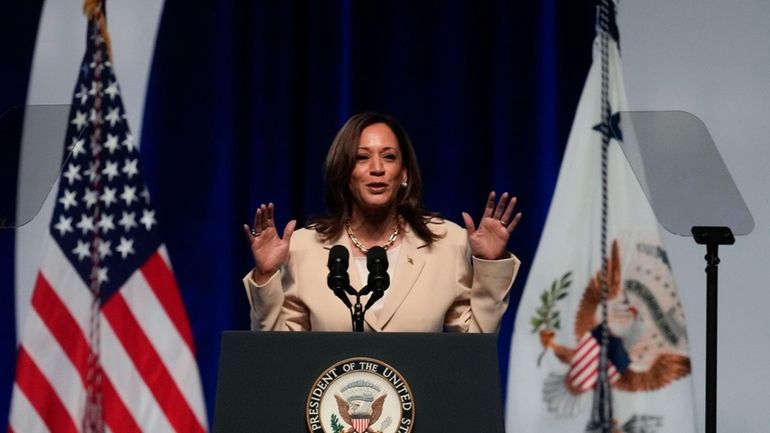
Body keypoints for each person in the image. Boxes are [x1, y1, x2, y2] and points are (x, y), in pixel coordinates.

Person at [242, 112, 522, 332]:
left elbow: (474, 349)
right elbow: (278, 353)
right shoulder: (304, 247)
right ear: (344, 172)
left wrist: (489, 265)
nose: (377, 169)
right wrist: (266, 276)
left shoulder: (447, 242)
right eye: (362, 158)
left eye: (389, 157)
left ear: (404, 174)